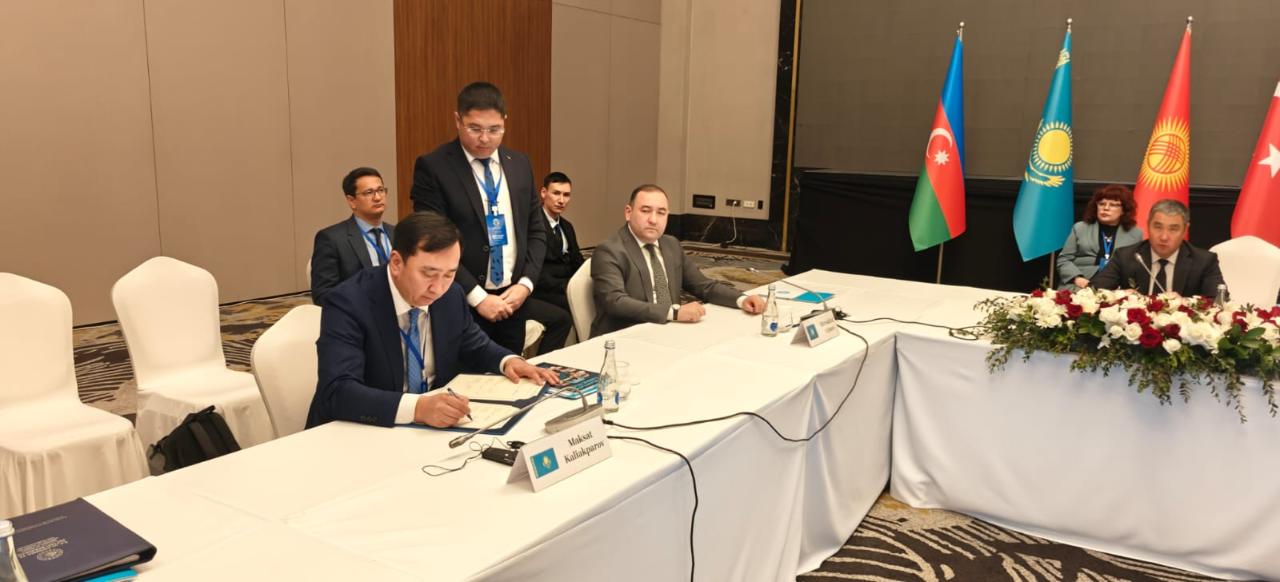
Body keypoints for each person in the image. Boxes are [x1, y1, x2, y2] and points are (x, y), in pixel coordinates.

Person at [305, 211, 559, 429]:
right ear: (396, 263)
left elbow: (476, 345)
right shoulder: (348, 303)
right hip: (360, 431)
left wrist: (509, 361)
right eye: (429, 273)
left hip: (429, 432)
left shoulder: (451, 295)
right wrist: (417, 408)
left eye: (449, 274)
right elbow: (338, 392)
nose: (437, 288)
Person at [409, 82, 571, 356]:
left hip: (513, 300)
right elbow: (432, 241)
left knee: (510, 373)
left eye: (494, 130)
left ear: (505, 121)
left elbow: (535, 230)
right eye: (474, 129)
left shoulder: (519, 164)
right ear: (458, 120)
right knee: (464, 378)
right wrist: (478, 297)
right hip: (461, 300)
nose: (484, 139)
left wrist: (525, 284)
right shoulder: (434, 167)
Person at [590, 184, 767, 336]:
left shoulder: (671, 244)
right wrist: (673, 313)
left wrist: (741, 299)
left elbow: (703, 286)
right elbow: (615, 302)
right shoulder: (609, 250)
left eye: (661, 213)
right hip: (623, 337)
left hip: (668, 330)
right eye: (645, 211)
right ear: (628, 213)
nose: (653, 220)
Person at [1090, 199, 1226, 297]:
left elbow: (1219, 301)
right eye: (1158, 227)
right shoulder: (1126, 256)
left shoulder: (1204, 261)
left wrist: (1185, 303)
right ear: (1148, 225)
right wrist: (1120, 295)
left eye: (1173, 229)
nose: (1164, 237)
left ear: (1185, 230)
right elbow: (1092, 291)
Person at [310, 167, 396, 306]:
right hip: (360, 311)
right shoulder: (332, 239)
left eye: (381, 190)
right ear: (352, 201)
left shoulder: (398, 233)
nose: (377, 197)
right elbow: (323, 294)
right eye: (369, 192)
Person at [1056, 184, 1144, 289]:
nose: (1106, 208)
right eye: (1101, 204)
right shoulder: (1080, 228)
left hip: (1117, 286)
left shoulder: (1135, 234)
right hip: (1080, 284)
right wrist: (1077, 278)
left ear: (1124, 210)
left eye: (1113, 205)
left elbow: (1137, 267)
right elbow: (1064, 260)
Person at [530, 172, 584, 312]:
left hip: (569, 287)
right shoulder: (531, 224)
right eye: (556, 193)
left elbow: (577, 260)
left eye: (566, 195)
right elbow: (534, 268)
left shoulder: (567, 226)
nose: (561, 200)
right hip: (543, 291)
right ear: (543, 193)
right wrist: (567, 287)